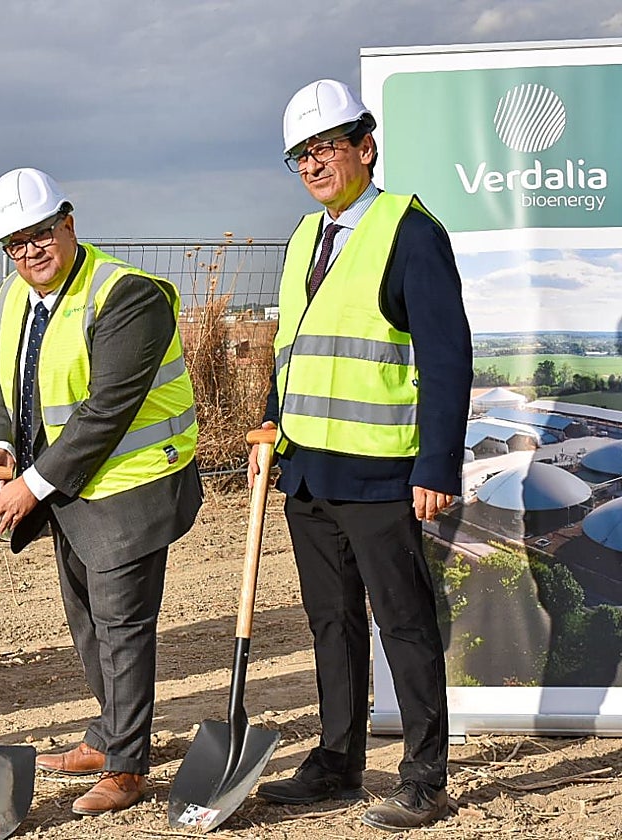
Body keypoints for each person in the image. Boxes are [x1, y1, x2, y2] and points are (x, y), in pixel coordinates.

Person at [250, 80, 471, 832]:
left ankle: (425, 779)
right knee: (331, 623)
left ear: (365, 148)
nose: (312, 165)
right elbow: (292, 348)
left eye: (325, 148)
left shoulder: (410, 232)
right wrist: (271, 425)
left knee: (404, 623)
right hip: (308, 471)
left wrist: (436, 464)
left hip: (381, 474)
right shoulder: (302, 238)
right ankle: (337, 762)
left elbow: (446, 357)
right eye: (300, 155)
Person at [0, 167, 203, 817]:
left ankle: (127, 767)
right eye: (15, 243)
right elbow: (3, 384)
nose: (29, 252)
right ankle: (108, 737)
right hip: (69, 489)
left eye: (41, 234)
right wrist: (2, 444)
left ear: (68, 223)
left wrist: (29, 485)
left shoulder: (127, 296)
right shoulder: (14, 296)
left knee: (122, 627)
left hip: (132, 486)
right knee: (87, 623)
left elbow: (107, 411)